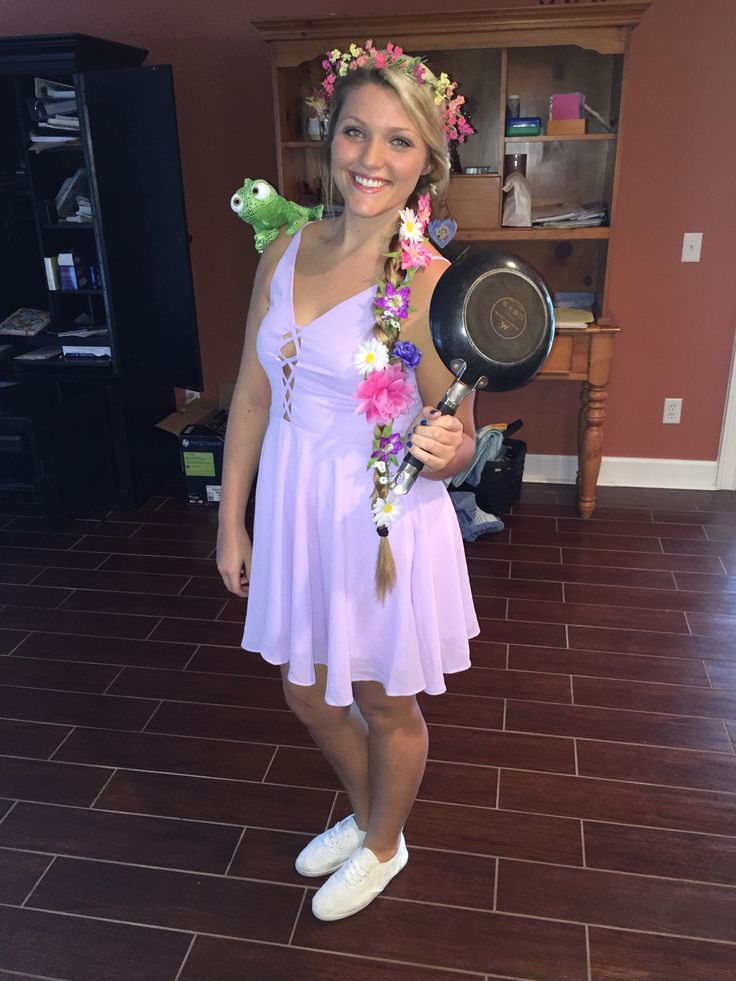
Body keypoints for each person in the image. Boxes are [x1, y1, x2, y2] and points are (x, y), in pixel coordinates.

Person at [217, 40, 479, 922]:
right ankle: (374, 813)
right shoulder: (285, 247)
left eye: (399, 142)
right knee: (303, 687)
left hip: (378, 521)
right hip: (295, 507)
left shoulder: (427, 282)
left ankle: (382, 843)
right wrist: (233, 516)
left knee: (379, 694)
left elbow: (462, 435)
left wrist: (453, 450)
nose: (372, 159)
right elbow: (253, 391)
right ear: (329, 138)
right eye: (356, 134)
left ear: (427, 161)